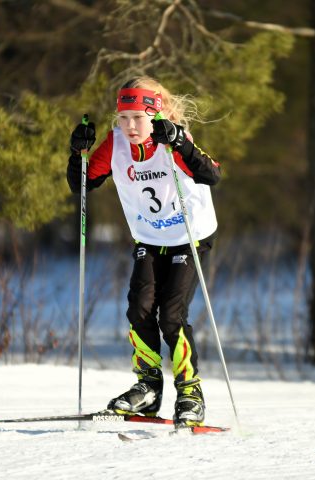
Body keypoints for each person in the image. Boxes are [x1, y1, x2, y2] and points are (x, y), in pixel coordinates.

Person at [66, 77, 221, 427]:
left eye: (138, 117)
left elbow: (212, 175)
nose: (130, 126)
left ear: (156, 113)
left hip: (189, 236)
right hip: (149, 238)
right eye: (123, 118)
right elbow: (82, 184)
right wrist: (79, 155)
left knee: (171, 316)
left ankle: (190, 393)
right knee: (139, 309)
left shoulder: (171, 139)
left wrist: (181, 144)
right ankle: (148, 388)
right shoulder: (117, 143)